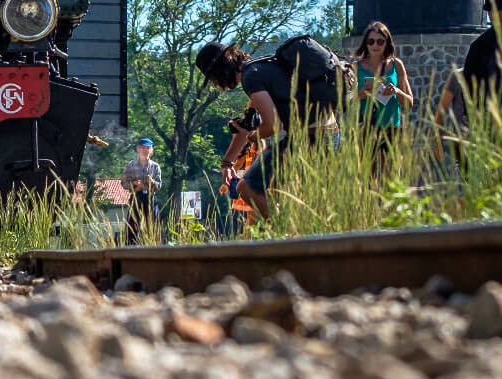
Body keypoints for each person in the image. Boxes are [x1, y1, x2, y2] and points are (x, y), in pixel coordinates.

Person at [195, 36, 343, 221]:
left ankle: (285, 234)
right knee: (291, 196)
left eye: (213, 79)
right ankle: (299, 231)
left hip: (307, 139)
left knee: (246, 188)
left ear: (221, 70)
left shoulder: (251, 77)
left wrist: (252, 137)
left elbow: (272, 126)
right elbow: (247, 125)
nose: (216, 84)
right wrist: (227, 163)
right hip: (330, 133)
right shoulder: (264, 66)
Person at [353, 20, 413, 162]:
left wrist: (396, 91)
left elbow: (409, 103)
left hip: (392, 128)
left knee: (391, 180)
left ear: (387, 43)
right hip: (365, 129)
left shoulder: (396, 65)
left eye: (380, 41)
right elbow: (344, 100)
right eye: (371, 41)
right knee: (368, 179)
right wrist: (361, 93)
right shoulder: (355, 67)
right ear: (365, 43)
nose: (375, 45)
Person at [463, 0, 502, 113]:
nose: (492, 14)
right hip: (490, 122)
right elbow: (470, 92)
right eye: (491, 10)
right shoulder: (479, 47)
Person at [121, 137, 161, 242]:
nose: (145, 150)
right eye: (143, 147)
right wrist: (133, 184)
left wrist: (152, 182)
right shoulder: (131, 165)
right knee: (132, 229)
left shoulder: (155, 166)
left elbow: (159, 185)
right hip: (136, 198)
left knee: (153, 228)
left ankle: (154, 251)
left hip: (150, 199)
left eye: (148, 148)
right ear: (138, 149)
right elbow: (123, 183)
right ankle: (130, 252)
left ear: (151, 150)